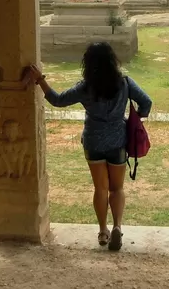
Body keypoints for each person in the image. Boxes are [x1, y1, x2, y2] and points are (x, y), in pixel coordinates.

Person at [25, 42, 152, 251]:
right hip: (118, 140)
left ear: (88, 64)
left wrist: (39, 79)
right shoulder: (125, 83)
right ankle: (118, 226)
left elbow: (57, 100)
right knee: (117, 188)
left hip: (93, 141)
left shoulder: (85, 88)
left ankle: (103, 231)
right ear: (113, 61)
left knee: (100, 188)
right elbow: (146, 102)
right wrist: (135, 117)